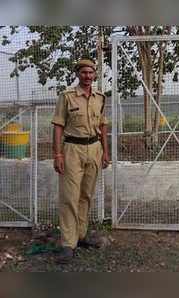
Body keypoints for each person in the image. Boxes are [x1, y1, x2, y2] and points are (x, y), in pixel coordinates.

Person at [52, 58, 110, 264]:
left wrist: (105, 152)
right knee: (69, 197)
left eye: (91, 72)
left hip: (94, 149)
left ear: (95, 74)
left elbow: (103, 126)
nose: (88, 76)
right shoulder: (67, 97)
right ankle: (68, 244)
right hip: (72, 150)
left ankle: (81, 235)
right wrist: (57, 154)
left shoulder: (100, 98)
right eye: (84, 72)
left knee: (86, 195)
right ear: (78, 74)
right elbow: (58, 125)